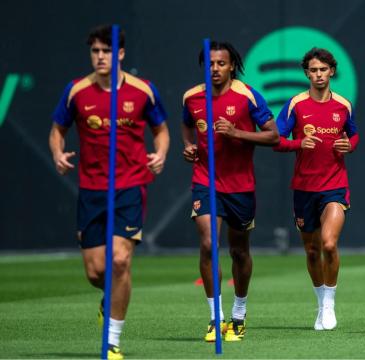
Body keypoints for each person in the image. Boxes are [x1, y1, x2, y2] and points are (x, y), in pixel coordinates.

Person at [49, 24, 169, 359]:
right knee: (96, 271)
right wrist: (57, 153)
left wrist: (159, 154)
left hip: (130, 185)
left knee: (119, 261)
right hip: (91, 189)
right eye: (95, 51)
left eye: (106, 51)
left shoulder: (142, 90)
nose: (100, 57)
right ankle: (111, 296)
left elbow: (161, 130)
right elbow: (58, 130)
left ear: (120, 54)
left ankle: (113, 340)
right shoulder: (77, 90)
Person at [182, 41, 279, 342]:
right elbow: (188, 126)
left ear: (231, 66)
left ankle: (239, 313)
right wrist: (188, 146)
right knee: (209, 243)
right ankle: (215, 318)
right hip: (206, 181)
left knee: (239, 251)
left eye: (220, 63)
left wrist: (236, 132)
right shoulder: (192, 97)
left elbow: (273, 135)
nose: (215, 69)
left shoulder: (247, 96)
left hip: (240, 185)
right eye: (210, 63)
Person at [273, 47, 359, 331]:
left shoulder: (343, 105)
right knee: (311, 251)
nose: (319, 74)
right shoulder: (296, 104)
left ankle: (329, 305)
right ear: (307, 73)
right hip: (304, 188)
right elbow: (276, 139)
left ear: (331, 71)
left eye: (323, 69)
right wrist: (298, 143)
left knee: (329, 243)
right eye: (313, 70)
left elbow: (354, 134)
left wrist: (350, 144)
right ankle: (320, 302)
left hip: (334, 186)